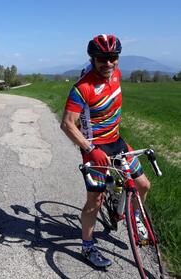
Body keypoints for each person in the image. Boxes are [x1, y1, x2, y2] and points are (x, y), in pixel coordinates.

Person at [60, 34, 151, 268]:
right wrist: (90, 148)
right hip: (95, 148)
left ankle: (135, 219)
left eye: (113, 57)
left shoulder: (116, 74)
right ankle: (88, 247)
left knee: (143, 185)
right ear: (93, 58)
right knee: (95, 202)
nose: (108, 63)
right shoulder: (82, 88)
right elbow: (67, 124)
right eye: (102, 58)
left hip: (116, 140)